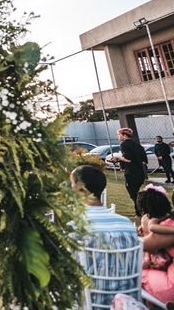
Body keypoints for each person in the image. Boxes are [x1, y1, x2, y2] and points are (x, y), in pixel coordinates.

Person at [70, 165, 141, 307]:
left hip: (89, 302)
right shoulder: (127, 225)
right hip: (125, 303)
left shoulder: (75, 226)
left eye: (71, 184)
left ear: (81, 188)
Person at [109, 128, 148, 216]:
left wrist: (118, 158)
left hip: (131, 173)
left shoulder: (124, 144)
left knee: (133, 194)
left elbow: (128, 159)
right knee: (136, 193)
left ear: (124, 135)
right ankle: (139, 211)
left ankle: (141, 211)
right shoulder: (137, 145)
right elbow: (144, 160)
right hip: (140, 173)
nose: (118, 137)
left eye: (119, 135)